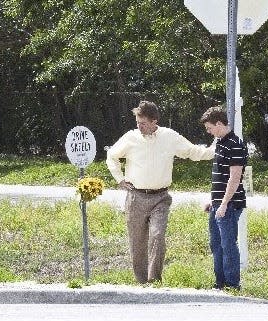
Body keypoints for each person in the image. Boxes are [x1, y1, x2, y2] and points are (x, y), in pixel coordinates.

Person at [106, 100, 215, 284]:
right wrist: (120, 179)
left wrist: (215, 148)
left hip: (161, 198)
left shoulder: (169, 136)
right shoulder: (130, 137)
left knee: (157, 236)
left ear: (154, 121)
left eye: (143, 123)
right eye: (137, 123)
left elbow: (192, 152)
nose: (139, 127)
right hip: (136, 197)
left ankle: (154, 280)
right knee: (137, 243)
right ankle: (142, 283)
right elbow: (112, 155)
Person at [200, 106, 248, 290]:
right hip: (218, 203)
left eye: (210, 127)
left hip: (230, 204)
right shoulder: (220, 142)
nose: (208, 131)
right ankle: (219, 283)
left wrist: (224, 204)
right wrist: (213, 201)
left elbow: (235, 177)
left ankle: (232, 284)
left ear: (219, 123)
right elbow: (220, 176)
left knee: (228, 244)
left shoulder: (235, 144)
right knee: (216, 243)